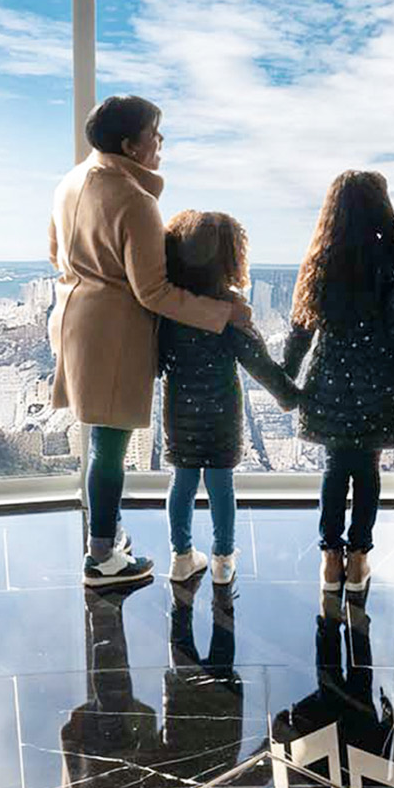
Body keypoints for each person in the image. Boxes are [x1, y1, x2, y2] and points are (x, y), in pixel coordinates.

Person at [49, 95, 253, 588]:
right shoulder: (136, 201)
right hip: (113, 334)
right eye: (154, 135)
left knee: (101, 437)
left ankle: (108, 534)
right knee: (111, 447)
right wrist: (223, 312)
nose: (160, 143)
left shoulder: (71, 181)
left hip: (73, 319)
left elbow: (54, 251)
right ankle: (101, 557)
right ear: (130, 145)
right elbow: (154, 291)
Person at [284, 170, 394, 593]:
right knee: (367, 471)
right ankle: (359, 557)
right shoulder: (388, 261)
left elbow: (300, 328)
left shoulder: (321, 258)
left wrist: (286, 379)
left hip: (328, 378)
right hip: (376, 381)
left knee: (335, 469)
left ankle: (330, 558)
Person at [158, 210, 301, 585]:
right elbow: (259, 363)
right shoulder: (228, 311)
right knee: (222, 485)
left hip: (179, 411)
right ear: (230, 258)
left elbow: (154, 357)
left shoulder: (169, 310)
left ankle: (180, 556)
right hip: (221, 413)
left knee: (183, 482)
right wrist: (289, 396)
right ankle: (223, 560)